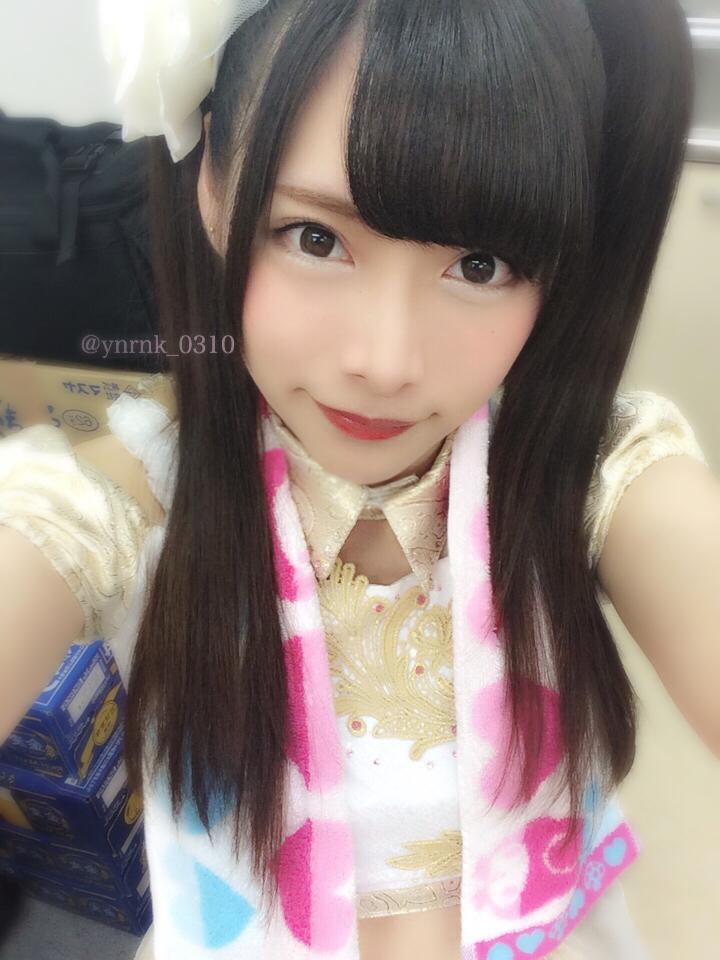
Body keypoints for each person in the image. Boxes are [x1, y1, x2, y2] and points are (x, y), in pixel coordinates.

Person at [1, 1, 718, 958]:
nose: (386, 362)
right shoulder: (140, 494)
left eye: (480, 264)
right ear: (213, 186)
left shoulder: (582, 469)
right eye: (314, 238)